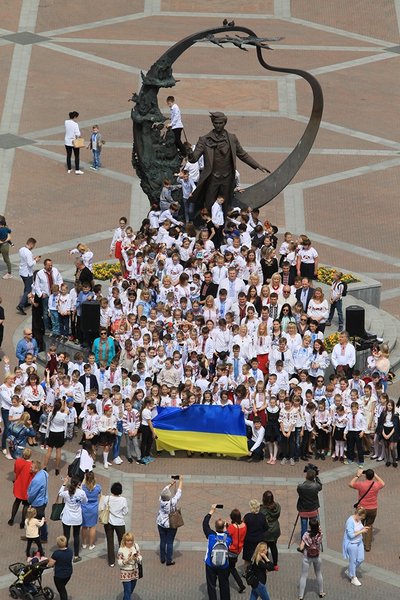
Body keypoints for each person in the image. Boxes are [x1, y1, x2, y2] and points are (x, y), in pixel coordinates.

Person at [188, 112, 269, 211]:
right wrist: (189, 153)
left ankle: (223, 223)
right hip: (212, 178)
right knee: (209, 203)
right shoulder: (204, 140)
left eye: (220, 123)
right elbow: (194, 159)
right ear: (212, 123)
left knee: (226, 204)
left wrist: (258, 165)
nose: (218, 125)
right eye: (216, 123)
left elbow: (242, 154)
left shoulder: (232, 138)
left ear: (225, 123)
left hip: (227, 178)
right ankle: (209, 223)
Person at [348, 468, 385, 552]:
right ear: (372, 476)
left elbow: (350, 484)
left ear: (366, 476)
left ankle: (357, 542)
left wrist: (357, 475)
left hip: (362, 509)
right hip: (373, 508)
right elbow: (383, 483)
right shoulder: (376, 484)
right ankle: (367, 546)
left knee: (358, 525)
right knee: (368, 526)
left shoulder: (361, 484)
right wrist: (375, 475)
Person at [202, 503, 232, 600]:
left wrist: (211, 511)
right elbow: (229, 531)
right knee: (224, 585)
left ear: (215, 527)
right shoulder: (228, 538)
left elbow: (205, 523)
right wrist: (227, 526)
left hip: (210, 564)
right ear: (224, 527)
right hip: (224, 565)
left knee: (211, 585)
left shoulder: (211, 535)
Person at [58, 475, 88, 563]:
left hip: (67, 517)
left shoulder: (67, 493)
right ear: (79, 484)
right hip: (77, 518)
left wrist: (64, 484)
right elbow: (85, 501)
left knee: (66, 536)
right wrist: (81, 489)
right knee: (76, 536)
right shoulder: (81, 493)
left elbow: (60, 493)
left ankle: (65, 554)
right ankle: (76, 555)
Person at [99, 481, 129, 567]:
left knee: (110, 541)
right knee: (122, 541)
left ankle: (111, 562)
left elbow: (103, 508)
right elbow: (125, 511)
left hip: (108, 522)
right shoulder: (123, 500)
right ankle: (122, 558)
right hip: (119, 523)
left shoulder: (107, 498)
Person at [156, 476, 183, 566]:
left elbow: (164, 490)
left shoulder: (161, 500)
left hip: (160, 523)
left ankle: (162, 558)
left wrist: (170, 484)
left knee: (162, 541)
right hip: (171, 524)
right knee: (170, 542)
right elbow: (179, 492)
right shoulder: (172, 502)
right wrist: (181, 481)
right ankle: (169, 560)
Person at [297, 518, 325, 600]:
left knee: (304, 576)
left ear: (309, 526)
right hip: (317, 556)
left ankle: (301, 596)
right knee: (318, 573)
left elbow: (301, 547)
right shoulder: (320, 534)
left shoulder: (306, 535)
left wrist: (300, 549)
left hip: (307, 557)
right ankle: (321, 592)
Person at [342, 507, 369, 586]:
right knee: (353, 561)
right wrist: (362, 531)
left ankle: (350, 570)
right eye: (361, 517)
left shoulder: (358, 520)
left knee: (361, 559)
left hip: (359, 542)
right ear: (357, 514)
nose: (361, 519)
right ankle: (353, 577)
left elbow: (359, 528)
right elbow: (351, 535)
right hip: (352, 544)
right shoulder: (350, 521)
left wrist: (363, 528)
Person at [34, 259, 63, 332]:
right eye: (48, 265)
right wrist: (41, 294)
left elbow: (60, 279)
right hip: (46, 295)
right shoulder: (39, 274)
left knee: (56, 311)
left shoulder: (55, 270)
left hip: (55, 295)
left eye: (51, 265)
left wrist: (58, 288)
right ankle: (47, 328)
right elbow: (36, 285)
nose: (50, 266)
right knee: (46, 312)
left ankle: (56, 327)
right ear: (45, 265)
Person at [8, 447, 33, 528]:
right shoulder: (31, 465)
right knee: (26, 505)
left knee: (16, 502)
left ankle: (12, 519)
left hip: (19, 485)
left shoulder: (18, 461)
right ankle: (22, 522)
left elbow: (15, 471)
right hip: (27, 487)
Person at [42, 399, 69, 475]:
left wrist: (47, 435)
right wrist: (64, 435)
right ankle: (57, 467)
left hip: (52, 433)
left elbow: (48, 425)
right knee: (58, 451)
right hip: (60, 433)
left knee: (49, 451)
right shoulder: (63, 415)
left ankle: (44, 466)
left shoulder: (51, 414)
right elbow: (65, 426)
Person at [16, 237, 40, 315]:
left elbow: (25, 259)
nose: (33, 247)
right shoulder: (29, 252)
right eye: (33, 245)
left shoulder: (21, 249)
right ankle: (21, 305)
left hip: (22, 271)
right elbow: (30, 264)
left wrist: (32, 258)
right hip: (27, 273)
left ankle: (25, 302)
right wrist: (35, 260)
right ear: (31, 244)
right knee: (28, 289)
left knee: (26, 287)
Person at [297, 467, 322, 539]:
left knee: (304, 528)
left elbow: (299, 493)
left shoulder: (300, 487)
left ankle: (304, 542)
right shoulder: (316, 486)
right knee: (314, 528)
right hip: (313, 510)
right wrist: (317, 477)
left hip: (303, 509)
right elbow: (320, 486)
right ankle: (314, 541)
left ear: (306, 476)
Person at [27, 460, 49, 543]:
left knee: (38, 520)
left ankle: (41, 537)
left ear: (36, 469)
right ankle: (40, 536)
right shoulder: (44, 473)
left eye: (32, 467)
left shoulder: (36, 480)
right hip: (43, 500)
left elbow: (32, 494)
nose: (30, 468)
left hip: (38, 503)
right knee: (40, 518)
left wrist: (29, 501)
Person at [243, 500, 269, 567]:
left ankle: (247, 572)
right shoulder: (262, 516)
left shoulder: (247, 516)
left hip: (249, 540)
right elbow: (266, 527)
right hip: (259, 539)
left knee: (248, 558)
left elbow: (243, 527)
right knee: (259, 556)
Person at [117, 532, 142, 600]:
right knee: (128, 591)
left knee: (130, 590)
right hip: (125, 573)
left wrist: (137, 558)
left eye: (131, 540)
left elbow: (140, 556)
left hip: (134, 572)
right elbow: (119, 562)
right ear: (124, 541)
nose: (130, 542)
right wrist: (127, 560)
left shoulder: (136, 546)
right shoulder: (121, 549)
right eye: (128, 541)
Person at [226, 508, 247, 593]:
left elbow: (226, 535)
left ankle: (241, 585)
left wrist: (226, 527)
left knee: (231, 568)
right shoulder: (244, 526)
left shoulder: (232, 527)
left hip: (231, 550)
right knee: (230, 566)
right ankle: (224, 579)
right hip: (239, 549)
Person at [47, 535, 73, 600]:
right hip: (68, 573)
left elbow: (50, 564)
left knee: (62, 591)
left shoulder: (56, 553)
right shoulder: (70, 551)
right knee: (62, 587)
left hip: (59, 575)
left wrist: (47, 565)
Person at [260, 491, 281, 570]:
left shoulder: (262, 510)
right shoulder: (277, 506)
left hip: (266, 530)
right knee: (273, 546)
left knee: (265, 548)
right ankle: (275, 564)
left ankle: (266, 564)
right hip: (275, 528)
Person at [81, 471, 101, 550]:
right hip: (94, 509)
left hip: (84, 508)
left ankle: (84, 543)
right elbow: (100, 494)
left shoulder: (83, 487)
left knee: (84, 527)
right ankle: (91, 544)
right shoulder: (98, 487)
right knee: (92, 527)